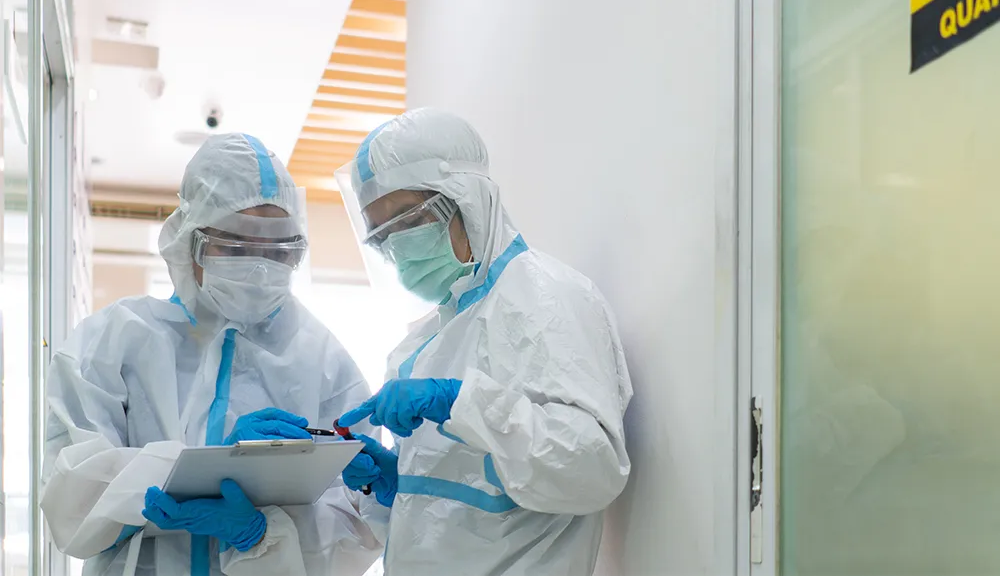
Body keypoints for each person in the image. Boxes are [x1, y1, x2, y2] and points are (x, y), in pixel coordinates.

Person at [42, 133, 386, 576]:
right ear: (190, 240)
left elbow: (359, 525)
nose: (260, 267)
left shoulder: (321, 359)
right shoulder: (112, 342)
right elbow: (71, 503)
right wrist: (196, 468)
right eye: (237, 247)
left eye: (278, 251)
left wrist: (263, 536)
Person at [334, 108, 633, 575]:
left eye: (407, 219)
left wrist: (463, 402)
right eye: (382, 234)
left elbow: (591, 471)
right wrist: (398, 484)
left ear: (465, 198)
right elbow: (458, 511)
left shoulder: (548, 300)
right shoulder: (422, 344)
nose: (397, 246)